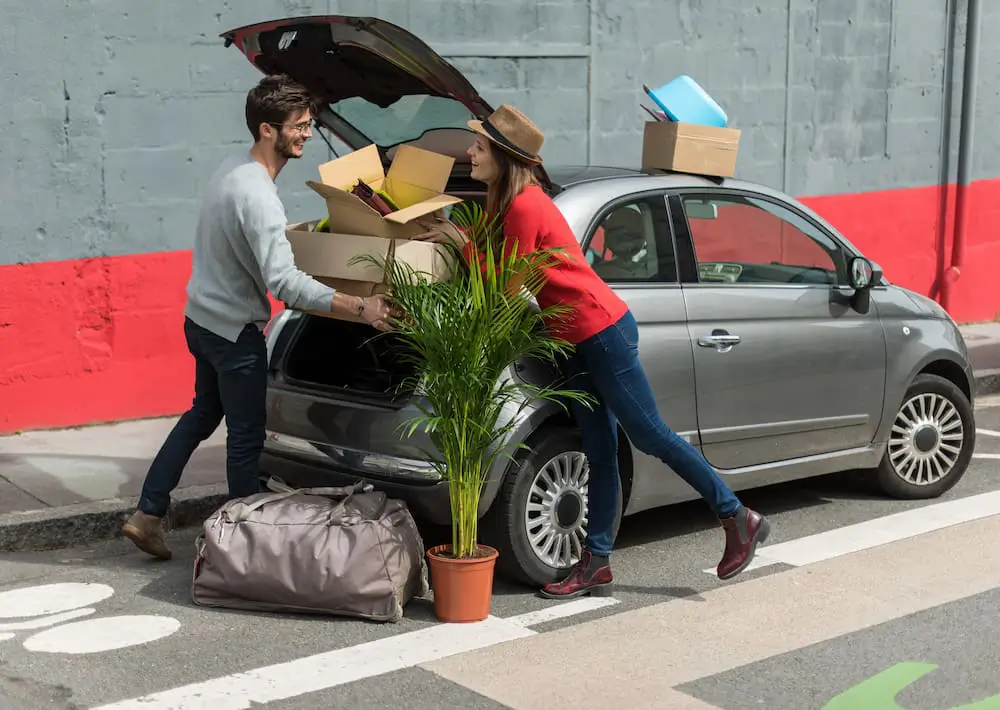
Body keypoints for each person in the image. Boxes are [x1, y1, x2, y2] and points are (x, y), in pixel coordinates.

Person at [422, 104, 771, 598]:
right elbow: (501, 265)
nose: (470, 152)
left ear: (502, 155)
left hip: (598, 330)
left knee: (649, 434)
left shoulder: (525, 205)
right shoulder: (508, 202)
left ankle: (737, 515)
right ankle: (597, 563)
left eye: (478, 146)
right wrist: (460, 238)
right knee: (599, 452)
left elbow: (509, 284)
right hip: (570, 337)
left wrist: (461, 247)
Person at [122, 75, 395, 560]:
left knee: (203, 413)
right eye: (300, 126)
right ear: (268, 130)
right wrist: (360, 307)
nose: (307, 133)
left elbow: (252, 249)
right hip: (232, 334)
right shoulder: (259, 197)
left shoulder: (233, 169)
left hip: (201, 320)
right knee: (246, 439)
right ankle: (240, 549)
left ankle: (148, 512)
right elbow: (285, 283)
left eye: (310, 124)